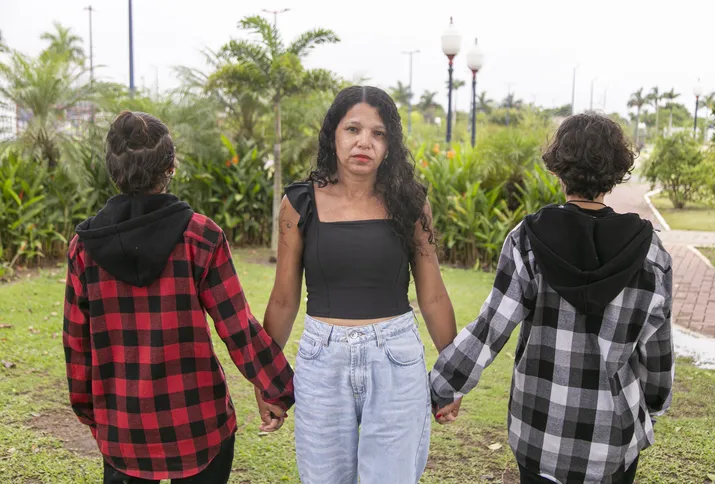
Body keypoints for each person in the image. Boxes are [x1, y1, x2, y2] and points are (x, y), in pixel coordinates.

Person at [431, 113, 674, 484]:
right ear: (617, 173)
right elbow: (657, 353)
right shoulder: (650, 251)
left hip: (539, 432)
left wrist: (443, 387)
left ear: (558, 170)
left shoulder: (527, 239)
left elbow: (491, 328)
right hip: (614, 437)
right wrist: (652, 407)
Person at [62, 111, 294, 484]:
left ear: (111, 168)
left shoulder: (83, 249)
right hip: (199, 424)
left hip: (123, 430)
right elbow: (237, 326)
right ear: (171, 166)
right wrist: (276, 386)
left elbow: (77, 347)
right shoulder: (201, 236)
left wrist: (93, 415)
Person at [258, 85, 459, 484]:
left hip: (396, 361)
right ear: (333, 134)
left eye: (378, 133)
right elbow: (283, 300)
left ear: (390, 144)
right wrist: (268, 380)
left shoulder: (411, 204)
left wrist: (454, 373)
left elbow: (433, 295)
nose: (364, 141)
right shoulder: (298, 204)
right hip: (321, 361)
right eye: (353, 129)